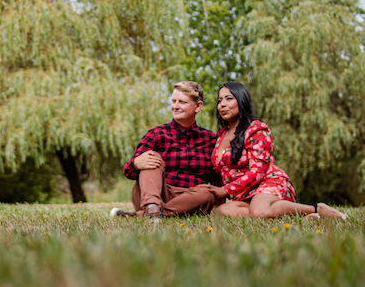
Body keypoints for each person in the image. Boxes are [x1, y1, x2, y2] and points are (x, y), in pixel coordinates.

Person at [197, 82, 347, 220]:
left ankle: (317, 208)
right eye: (219, 100)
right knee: (222, 212)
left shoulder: (256, 129)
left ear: (241, 101)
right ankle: (302, 218)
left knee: (259, 211)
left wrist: (226, 190)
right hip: (243, 195)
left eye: (228, 99)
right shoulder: (221, 135)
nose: (222, 104)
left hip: (267, 184)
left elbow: (258, 171)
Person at [112, 81, 219, 222]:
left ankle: (149, 214)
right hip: (157, 193)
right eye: (173, 101)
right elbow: (129, 172)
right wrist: (136, 163)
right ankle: (152, 207)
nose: (175, 106)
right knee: (151, 157)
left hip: (191, 198)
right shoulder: (157, 133)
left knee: (208, 193)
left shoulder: (210, 138)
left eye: (182, 102)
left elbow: (217, 176)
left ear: (198, 106)